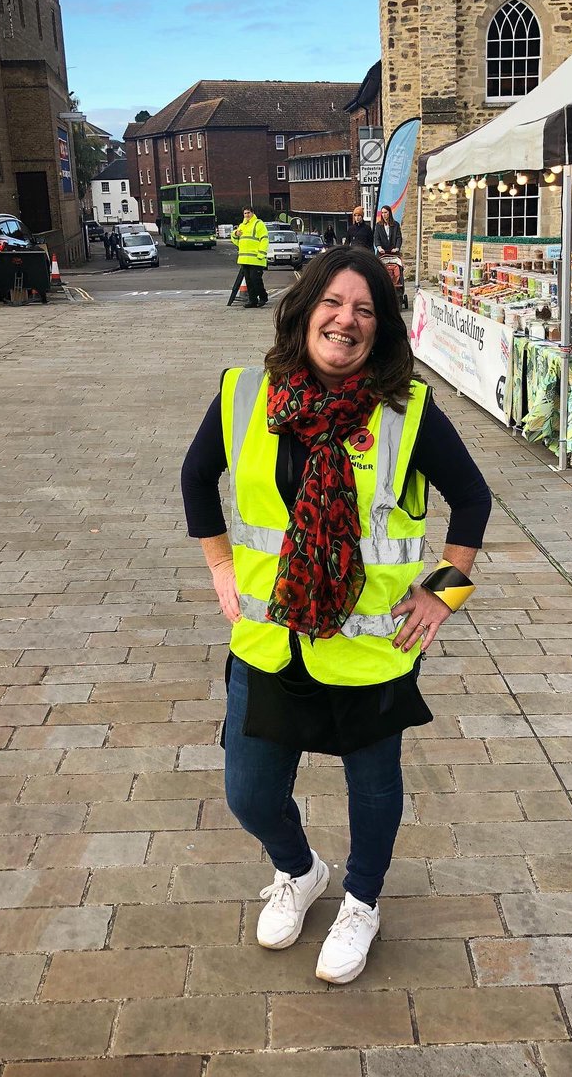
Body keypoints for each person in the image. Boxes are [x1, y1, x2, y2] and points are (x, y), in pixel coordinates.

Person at [181, 247, 491, 984]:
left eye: (364, 309)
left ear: (379, 329)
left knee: (372, 788)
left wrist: (441, 594)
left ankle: (362, 899)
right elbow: (197, 478)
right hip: (269, 639)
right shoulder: (245, 393)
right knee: (250, 794)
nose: (345, 320)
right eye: (333, 302)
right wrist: (221, 566)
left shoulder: (406, 410)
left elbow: (473, 500)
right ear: (305, 306)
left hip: (367, 650)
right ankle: (300, 870)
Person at [231, 207, 269, 308]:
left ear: (253, 213)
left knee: (255, 279)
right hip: (244, 259)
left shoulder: (258, 224)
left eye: (248, 213)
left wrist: (261, 253)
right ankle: (253, 301)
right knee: (249, 281)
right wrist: (235, 234)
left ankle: (263, 297)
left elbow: (264, 239)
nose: (247, 215)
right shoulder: (242, 226)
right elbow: (236, 241)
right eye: (245, 213)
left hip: (256, 259)